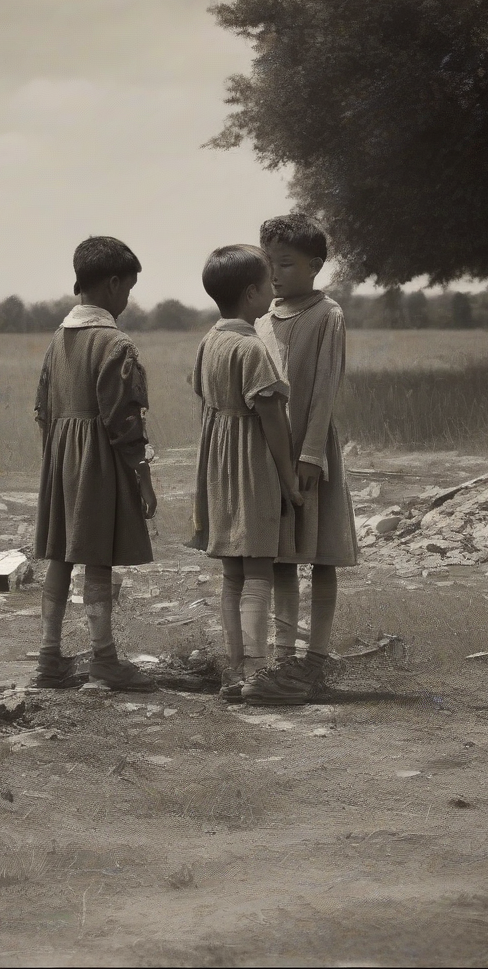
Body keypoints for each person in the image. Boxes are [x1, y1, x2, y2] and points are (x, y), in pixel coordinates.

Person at [32, 236, 158, 691]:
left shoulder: (57, 339)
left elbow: (42, 409)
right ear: (111, 283)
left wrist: (56, 459)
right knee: (98, 558)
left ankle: (49, 658)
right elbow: (125, 421)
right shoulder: (114, 343)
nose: (127, 298)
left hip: (60, 459)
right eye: (127, 288)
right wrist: (142, 477)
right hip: (99, 463)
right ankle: (104, 660)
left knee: (62, 557)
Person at [242, 215, 359, 706]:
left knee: (323, 554)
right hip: (272, 452)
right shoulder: (262, 320)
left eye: (285, 264)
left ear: (314, 266)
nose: (275, 273)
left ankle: (316, 657)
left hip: (312, 452)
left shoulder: (328, 314)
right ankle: (284, 655)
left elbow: (325, 390)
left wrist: (311, 454)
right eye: (269, 262)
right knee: (282, 556)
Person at [191, 245, 302, 702]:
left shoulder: (210, 340)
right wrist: (289, 479)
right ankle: (259, 674)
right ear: (253, 293)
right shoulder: (252, 347)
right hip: (252, 465)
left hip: (218, 467)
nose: (274, 288)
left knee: (232, 576)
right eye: (268, 281)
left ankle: (234, 672)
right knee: (259, 570)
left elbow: (203, 400)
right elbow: (273, 421)